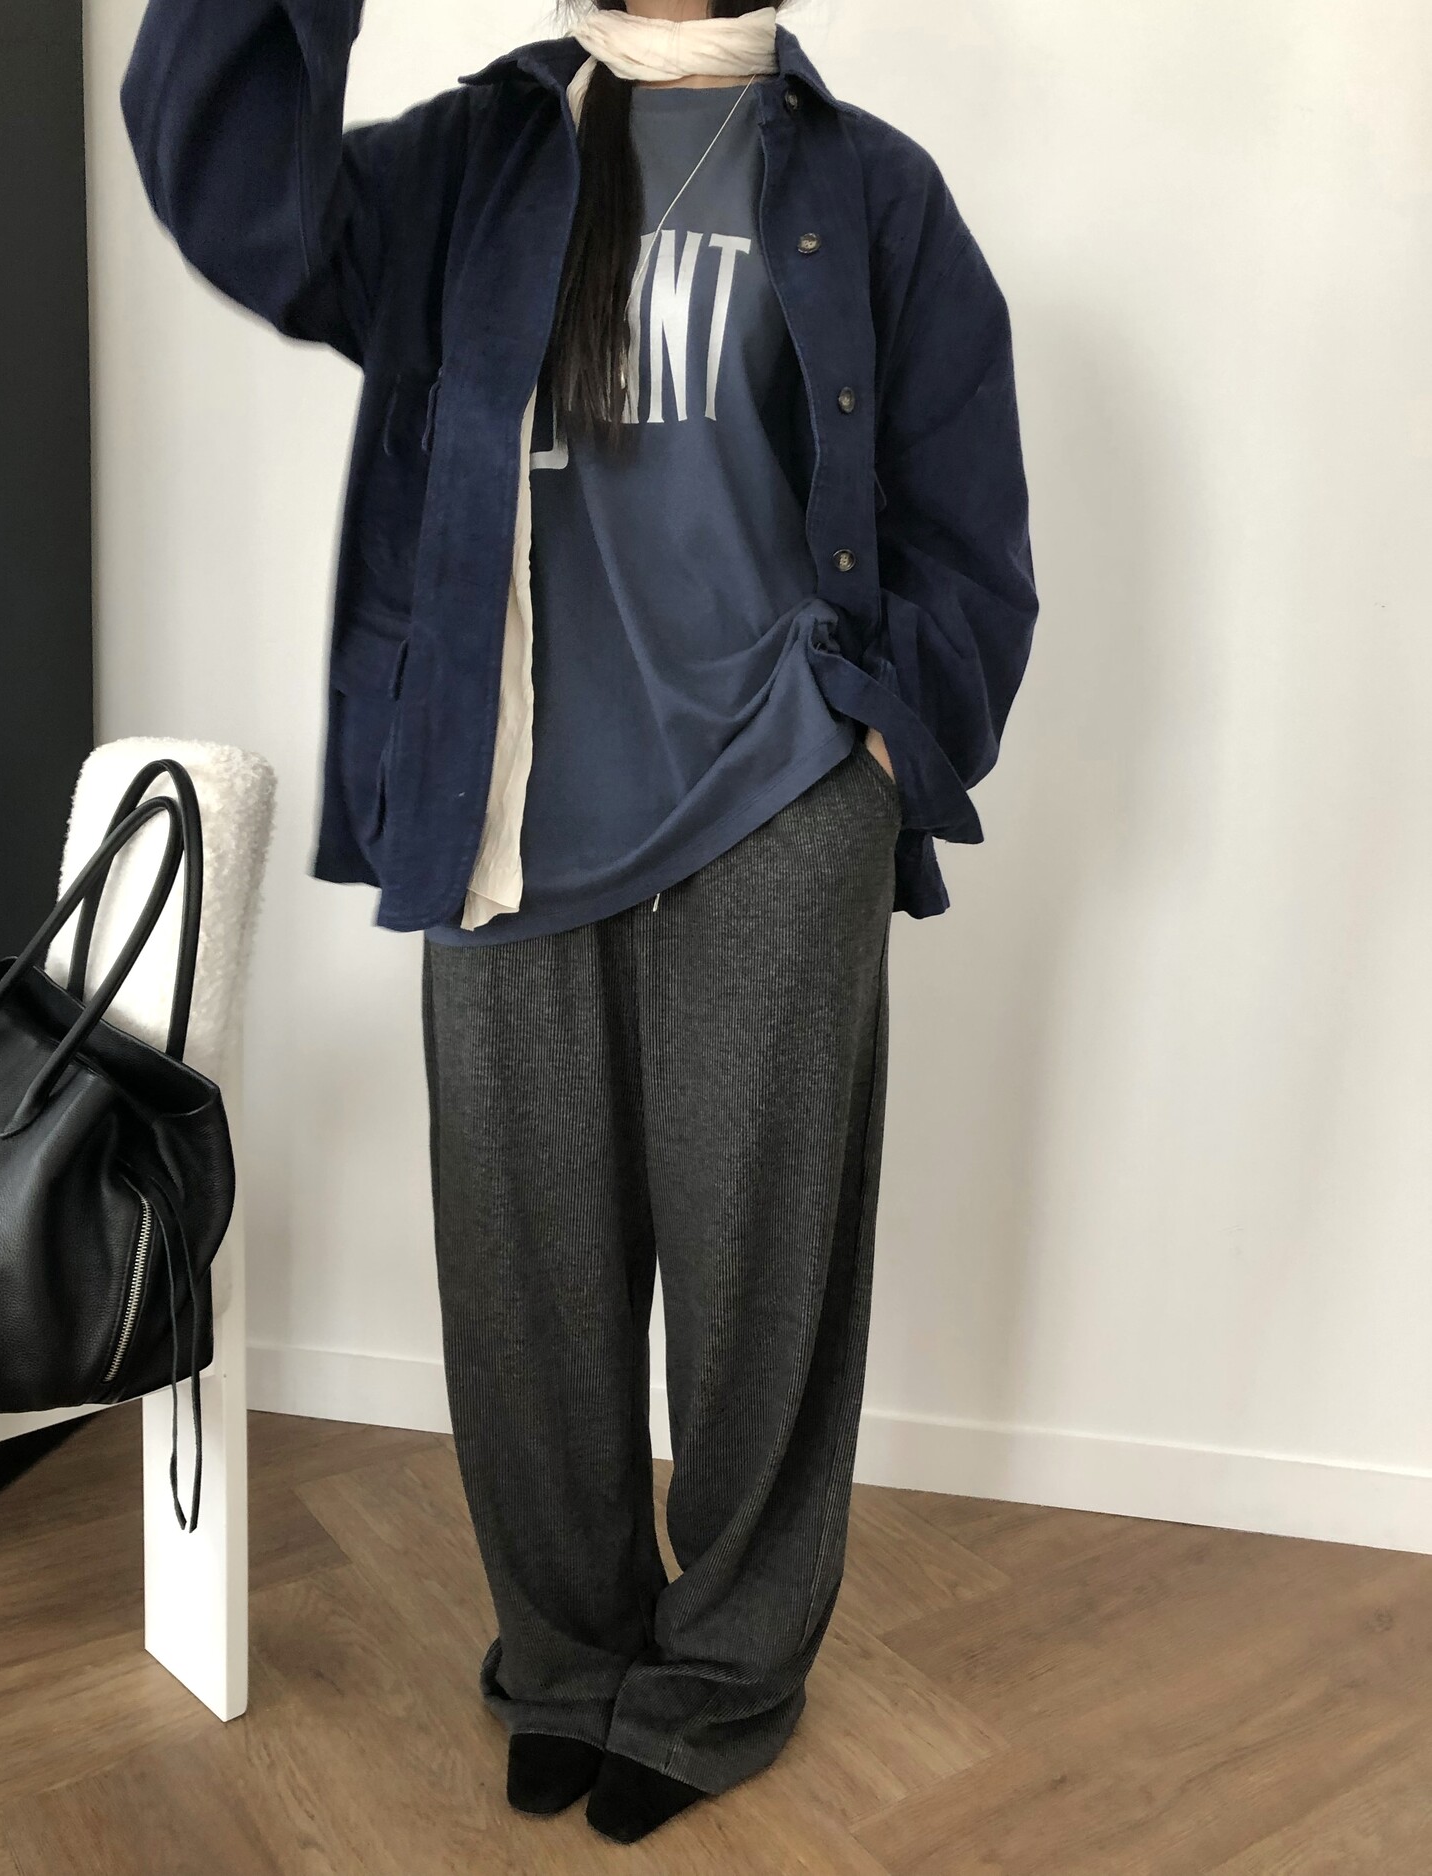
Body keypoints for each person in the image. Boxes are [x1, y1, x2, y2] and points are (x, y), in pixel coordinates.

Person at [120, 0, 1039, 1845]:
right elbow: (240, 202)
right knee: (522, 1282)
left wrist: (873, 745)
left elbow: (971, 538)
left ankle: (717, 1681)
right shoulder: (481, 159)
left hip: (774, 809)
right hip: (508, 808)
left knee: (761, 1288)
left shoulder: (872, 191)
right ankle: (563, 1658)